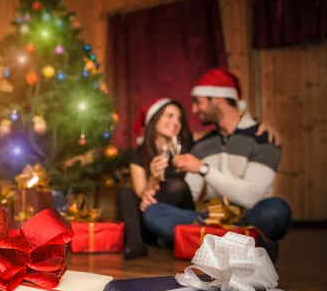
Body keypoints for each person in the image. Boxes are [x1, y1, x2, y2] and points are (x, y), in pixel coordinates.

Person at [142, 68, 291, 262]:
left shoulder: (263, 138)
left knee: (277, 210)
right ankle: (250, 246)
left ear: (217, 99)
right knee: (155, 213)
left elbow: (250, 196)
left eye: (198, 102)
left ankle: (203, 244)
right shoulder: (203, 144)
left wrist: (204, 169)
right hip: (210, 220)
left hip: (248, 217)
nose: (194, 110)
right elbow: (192, 193)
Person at [117, 98, 196, 260]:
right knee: (125, 193)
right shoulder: (139, 155)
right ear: (155, 119)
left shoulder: (187, 146)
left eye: (179, 119)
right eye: (170, 116)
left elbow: (214, 131)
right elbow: (142, 195)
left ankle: (168, 236)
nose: (175, 122)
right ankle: (135, 243)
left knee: (176, 186)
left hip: (178, 214)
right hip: (150, 212)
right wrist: (153, 177)